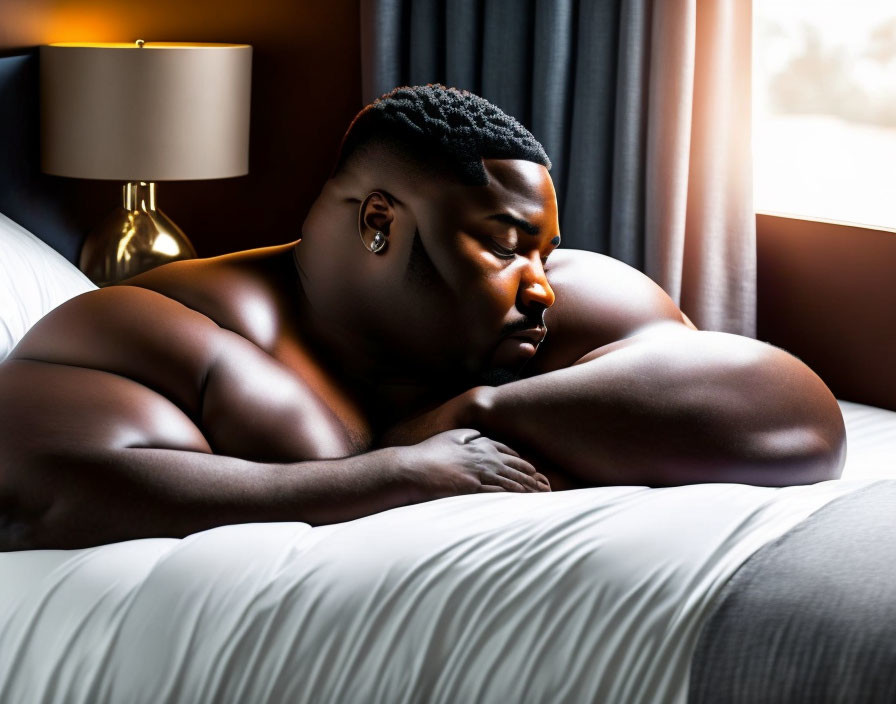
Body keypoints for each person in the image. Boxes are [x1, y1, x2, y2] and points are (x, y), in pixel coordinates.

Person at [0, 85, 845, 551]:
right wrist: (392, 474)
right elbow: (46, 493)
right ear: (379, 225)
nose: (541, 284)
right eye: (504, 245)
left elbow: (796, 417)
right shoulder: (155, 326)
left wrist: (475, 412)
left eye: (543, 252)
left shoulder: (542, 309)